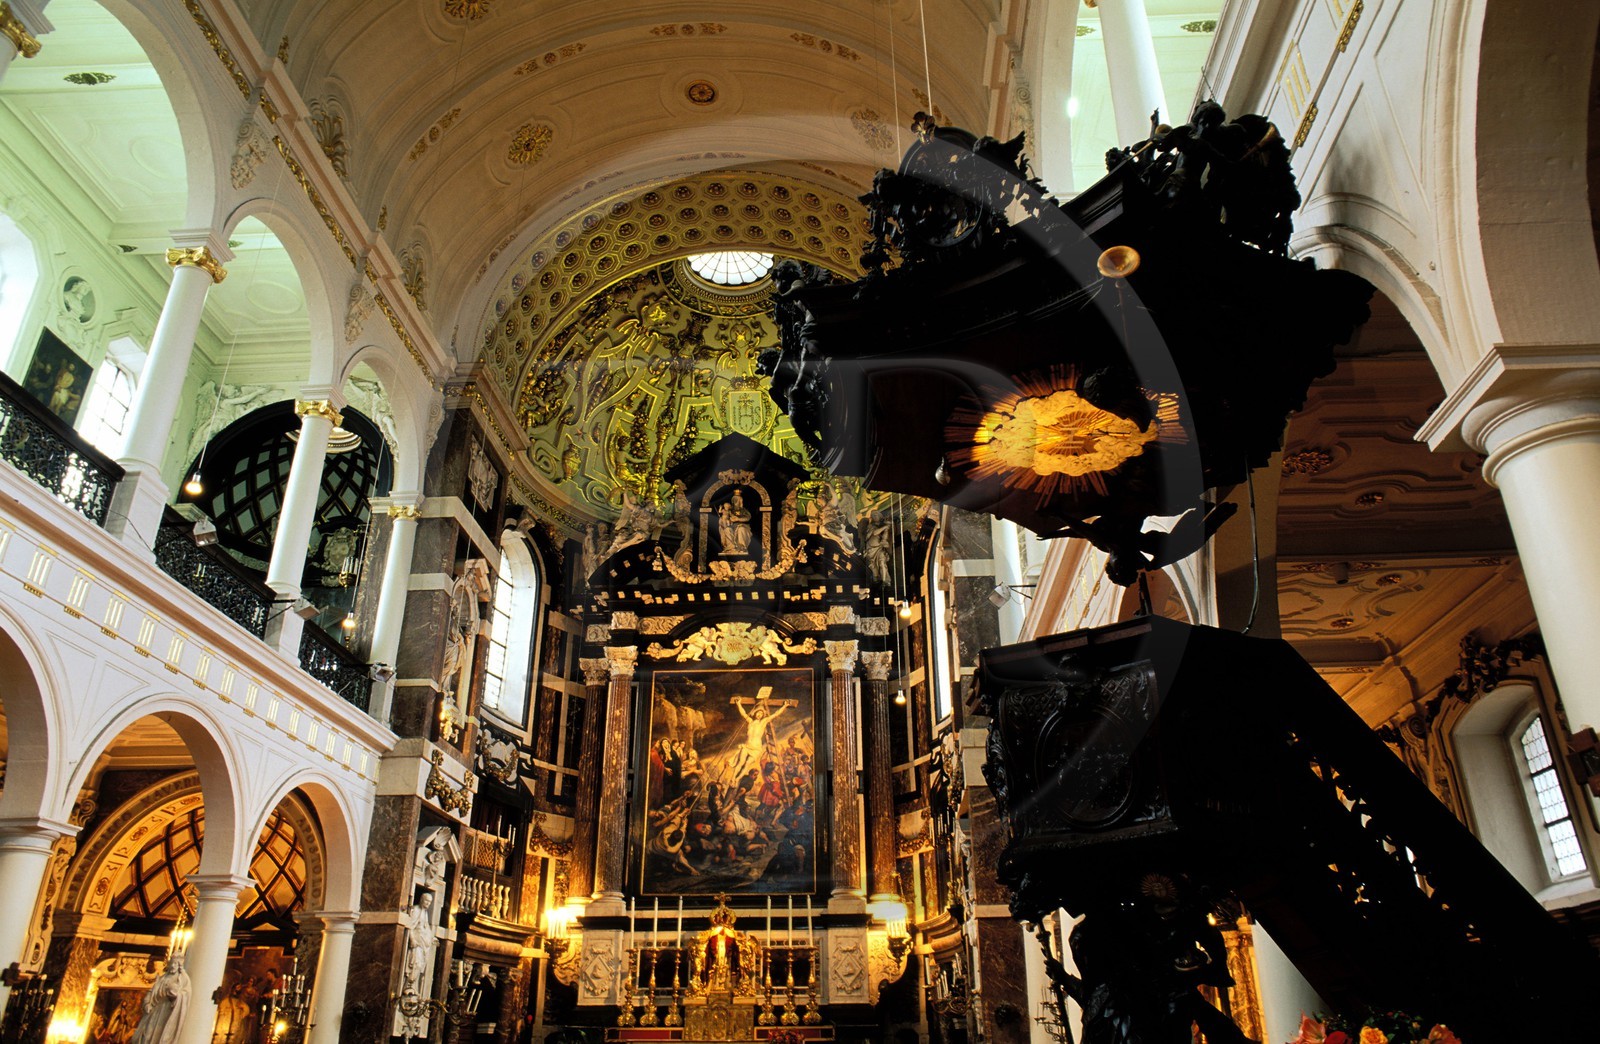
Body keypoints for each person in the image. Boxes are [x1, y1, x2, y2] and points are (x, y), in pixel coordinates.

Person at [129, 954, 190, 1044]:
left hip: (167, 1011)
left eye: (176, 964)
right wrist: (147, 1004)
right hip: (155, 1011)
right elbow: (151, 992)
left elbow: (185, 994)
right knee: (147, 1036)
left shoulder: (182, 979)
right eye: (172, 963)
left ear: (180, 965)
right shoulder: (162, 978)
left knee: (161, 1036)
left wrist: (176, 995)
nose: (173, 966)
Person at [717, 489, 753, 555]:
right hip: (731, 525)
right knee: (727, 529)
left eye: (738, 501)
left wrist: (738, 519)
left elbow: (748, 517)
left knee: (741, 530)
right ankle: (731, 548)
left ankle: (742, 548)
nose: (737, 503)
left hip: (742, 525)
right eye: (735, 501)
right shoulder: (729, 509)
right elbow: (724, 516)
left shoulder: (743, 510)